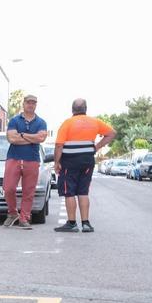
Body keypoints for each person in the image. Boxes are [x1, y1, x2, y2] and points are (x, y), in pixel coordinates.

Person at [52, 98, 116, 232]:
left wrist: (57, 162)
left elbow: (59, 145)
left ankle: (71, 223)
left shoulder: (67, 123)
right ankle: (86, 223)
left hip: (69, 162)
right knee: (83, 191)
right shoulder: (95, 122)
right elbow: (112, 133)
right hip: (87, 161)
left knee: (69, 192)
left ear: (72, 109)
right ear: (85, 109)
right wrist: (96, 147)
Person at [3, 94, 48, 229]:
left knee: (28, 191)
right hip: (14, 158)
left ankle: (24, 218)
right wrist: (31, 138)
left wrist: (22, 135)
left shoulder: (41, 122)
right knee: (8, 188)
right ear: (23, 104)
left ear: (36, 105)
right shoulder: (14, 120)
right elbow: (12, 139)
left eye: (33, 103)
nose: (31, 105)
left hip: (32, 160)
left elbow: (40, 138)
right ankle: (12, 213)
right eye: (28, 102)